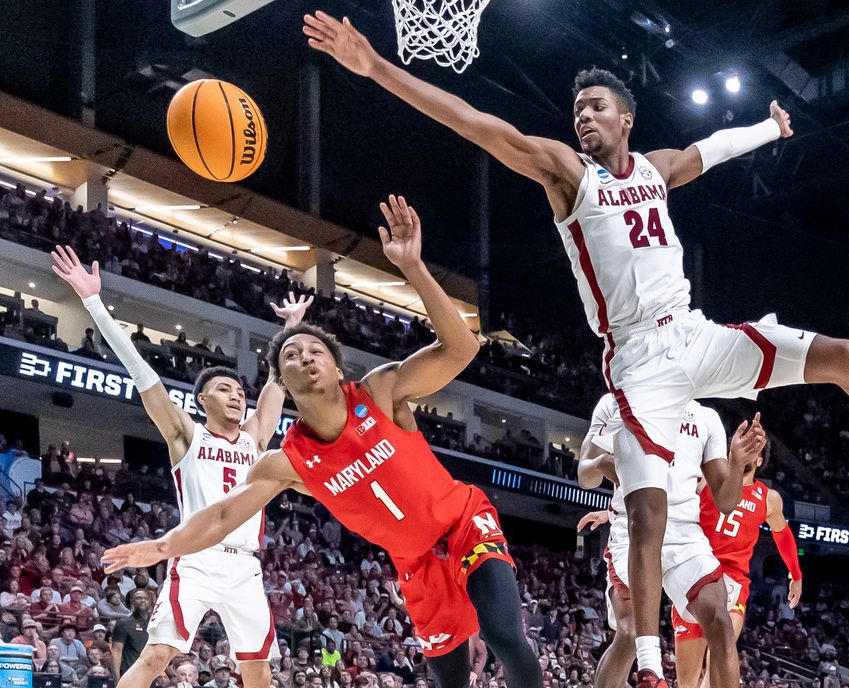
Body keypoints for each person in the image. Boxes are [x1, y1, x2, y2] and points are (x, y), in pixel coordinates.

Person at [302, 11, 849, 688]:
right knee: (647, 512)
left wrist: (768, 127)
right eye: (578, 108)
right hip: (636, 361)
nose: (583, 117)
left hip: (695, 334)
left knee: (842, 354)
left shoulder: (654, 170)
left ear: (625, 119)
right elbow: (478, 124)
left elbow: (710, 151)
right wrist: (374, 68)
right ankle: (646, 660)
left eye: (596, 106)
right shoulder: (567, 174)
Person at [102, 196, 540, 688]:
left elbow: (462, 347)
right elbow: (223, 515)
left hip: (462, 523)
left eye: (316, 350)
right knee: (451, 683)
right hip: (414, 561)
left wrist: (413, 267)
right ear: (282, 380)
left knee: (503, 635)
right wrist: (163, 546)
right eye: (292, 353)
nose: (305, 355)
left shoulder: (381, 392)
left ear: (336, 367)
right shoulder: (286, 461)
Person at [51, 244, 312, 688]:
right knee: (157, 656)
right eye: (225, 389)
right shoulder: (186, 434)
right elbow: (140, 372)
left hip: (246, 567)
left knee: (258, 669)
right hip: (195, 558)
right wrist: (93, 301)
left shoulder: (255, 439)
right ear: (202, 400)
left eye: (238, 391)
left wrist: (292, 329)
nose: (237, 395)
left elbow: (276, 379)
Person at [576, 397, 765, 688]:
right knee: (630, 632)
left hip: (683, 534)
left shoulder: (705, 417)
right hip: (633, 526)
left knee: (721, 621)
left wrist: (737, 464)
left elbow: (726, 502)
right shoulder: (615, 402)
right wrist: (602, 461)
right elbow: (585, 475)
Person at [671, 433, 803, 688]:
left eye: (754, 447)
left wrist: (795, 575)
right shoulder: (704, 478)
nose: (747, 449)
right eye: (743, 443)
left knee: (721, 647)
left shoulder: (768, 499)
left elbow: (783, 535)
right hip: (695, 573)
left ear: (760, 460)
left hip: (733, 582)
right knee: (686, 681)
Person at [110, 590, 154, 679]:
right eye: (138, 598)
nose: (142, 600)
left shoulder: (154, 624)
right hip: (130, 674)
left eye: (146, 598)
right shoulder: (123, 623)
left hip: (151, 674)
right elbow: (116, 652)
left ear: (150, 603)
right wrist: (117, 678)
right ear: (132, 602)